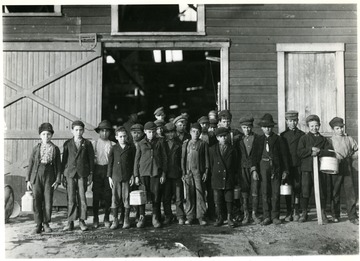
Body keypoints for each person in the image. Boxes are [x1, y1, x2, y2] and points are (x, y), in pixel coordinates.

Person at [251, 114, 289, 226]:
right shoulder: (258, 140)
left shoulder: (278, 139)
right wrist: (255, 170)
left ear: (272, 127)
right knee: (265, 192)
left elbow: (284, 156)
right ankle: (266, 216)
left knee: (276, 192)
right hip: (263, 167)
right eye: (265, 127)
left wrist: (285, 170)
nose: (267, 129)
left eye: (269, 127)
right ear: (261, 128)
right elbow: (254, 156)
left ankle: (275, 216)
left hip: (276, 168)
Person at [297, 115, 334, 223]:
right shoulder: (304, 138)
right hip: (307, 169)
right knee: (305, 191)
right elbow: (299, 152)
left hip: (320, 169)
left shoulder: (323, 139)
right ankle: (304, 213)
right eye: (312, 126)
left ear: (319, 126)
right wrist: (310, 150)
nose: (314, 128)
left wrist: (320, 151)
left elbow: (329, 152)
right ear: (308, 126)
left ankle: (322, 212)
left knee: (322, 191)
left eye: (316, 126)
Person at [26, 123, 61, 234]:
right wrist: (28, 179)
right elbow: (31, 164)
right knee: (37, 200)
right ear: (40, 136)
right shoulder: (36, 148)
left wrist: (57, 179)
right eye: (44, 134)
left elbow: (58, 166)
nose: (46, 136)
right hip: (37, 175)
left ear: (51, 136)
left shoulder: (55, 149)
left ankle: (46, 223)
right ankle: (38, 224)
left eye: (49, 134)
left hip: (49, 176)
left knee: (48, 200)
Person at [61, 120, 95, 231]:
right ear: (72, 131)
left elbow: (91, 160)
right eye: (76, 130)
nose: (78, 132)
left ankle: (82, 221)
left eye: (80, 130)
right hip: (70, 174)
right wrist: (63, 174)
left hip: (82, 174)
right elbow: (64, 160)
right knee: (71, 198)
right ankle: (70, 222)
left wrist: (90, 174)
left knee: (82, 197)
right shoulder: (67, 144)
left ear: (83, 131)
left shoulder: (87, 144)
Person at [134, 121, 167, 228]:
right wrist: (136, 175)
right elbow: (136, 160)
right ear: (145, 132)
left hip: (156, 172)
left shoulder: (160, 142)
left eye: (153, 132)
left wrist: (163, 173)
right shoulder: (140, 143)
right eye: (149, 132)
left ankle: (155, 217)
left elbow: (164, 158)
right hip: (143, 172)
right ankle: (142, 217)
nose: (151, 134)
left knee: (156, 196)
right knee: (143, 195)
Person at [328, 117, 358, 225]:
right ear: (333, 129)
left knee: (350, 191)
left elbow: (356, 149)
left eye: (341, 128)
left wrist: (352, 157)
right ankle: (335, 215)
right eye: (337, 128)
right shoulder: (330, 140)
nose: (340, 130)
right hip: (335, 166)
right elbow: (328, 153)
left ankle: (353, 216)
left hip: (347, 166)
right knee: (335, 191)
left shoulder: (348, 138)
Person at [107, 127, 136, 229]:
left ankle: (126, 220)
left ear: (127, 136)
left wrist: (132, 174)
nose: (122, 138)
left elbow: (133, 163)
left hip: (127, 177)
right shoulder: (114, 148)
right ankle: (115, 220)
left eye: (124, 136)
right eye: (120, 136)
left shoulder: (131, 148)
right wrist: (109, 177)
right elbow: (110, 163)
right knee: (115, 198)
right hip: (116, 177)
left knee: (126, 198)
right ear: (116, 137)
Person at [209, 127, 238, 228]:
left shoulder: (232, 149)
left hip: (229, 178)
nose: (223, 138)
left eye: (225, 136)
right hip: (217, 178)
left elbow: (235, 165)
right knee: (218, 200)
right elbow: (211, 165)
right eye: (221, 136)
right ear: (217, 138)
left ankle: (230, 218)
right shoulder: (212, 149)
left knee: (229, 199)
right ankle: (220, 218)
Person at [181, 123, 209, 225]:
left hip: (199, 173)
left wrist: (206, 171)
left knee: (200, 194)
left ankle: (201, 216)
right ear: (190, 132)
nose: (195, 134)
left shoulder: (203, 144)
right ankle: (190, 216)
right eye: (193, 131)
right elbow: (183, 159)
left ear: (200, 133)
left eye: (198, 132)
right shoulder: (186, 144)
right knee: (189, 194)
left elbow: (206, 159)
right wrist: (183, 172)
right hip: (188, 173)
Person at [280, 111, 305, 222]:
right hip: (287, 166)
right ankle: (288, 211)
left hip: (298, 165)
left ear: (297, 121)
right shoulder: (283, 135)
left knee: (297, 188)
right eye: (290, 121)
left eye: (294, 120)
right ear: (286, 121)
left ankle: (296, 210)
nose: (292, 123)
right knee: (287, 188)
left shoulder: (302, 135)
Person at [91, 120, 115, 229]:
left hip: (108, 170)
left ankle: (106, 217)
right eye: (102, 131)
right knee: (96, 195)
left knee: (108, 195)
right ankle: (95, 218)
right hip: (97, 170)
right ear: (99, 132)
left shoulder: (113, 144)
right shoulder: (94, 144)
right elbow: (91, 160)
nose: (104, 133)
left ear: (110, 133)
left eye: (107, 131)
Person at [237, 116, 261, 224]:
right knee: (244, 192)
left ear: (252, 127)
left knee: (255, 191)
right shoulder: (239, 140)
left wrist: (255, 168)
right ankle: (246, 214)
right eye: (244, 127)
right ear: (242, 128)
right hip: (242, 169)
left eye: (249, 127)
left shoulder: (257, 138)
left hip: (254, 168)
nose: (247, 130)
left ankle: (254, 214)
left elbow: (258, 155)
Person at [162, 122, 186, 225]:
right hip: (166, 174)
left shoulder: (179, 144)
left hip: (176, 173)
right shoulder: (162, 143)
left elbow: (182, 159)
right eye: (168, 133)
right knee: (166, 197)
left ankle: (180, 216)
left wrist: (183, 172)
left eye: (172, 132)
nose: (170, 135)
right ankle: (168, 216)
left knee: (178, 196)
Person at [198, 116, 216, 220]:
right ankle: (201, 213)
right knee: (199, 191)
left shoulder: (212, 137)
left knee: (210, 191)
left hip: (211, 168)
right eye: (202, 124)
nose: (204, 126)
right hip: (199, 167)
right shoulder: (196, 137)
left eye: (206, 124)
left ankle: (212, 213)